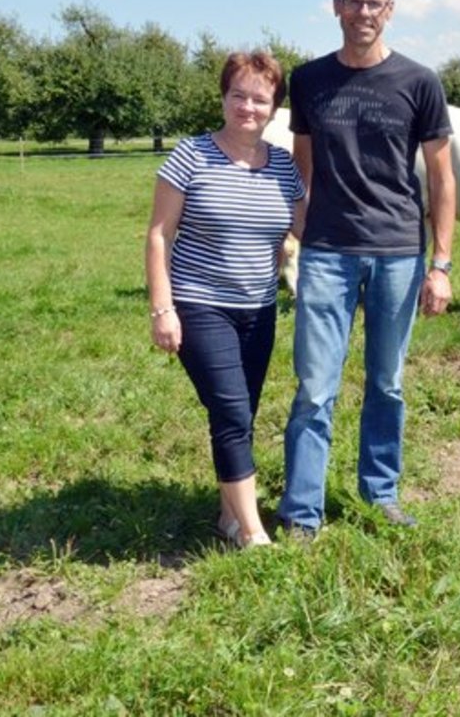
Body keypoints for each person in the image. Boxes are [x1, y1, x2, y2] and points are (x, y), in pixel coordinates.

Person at [277, 0, 456, 538]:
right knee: (316, 385)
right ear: (335, 6)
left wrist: (441, 264)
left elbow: (442, 178)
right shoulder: (308, 81)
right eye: (353, 2)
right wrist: (303, 231)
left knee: (387, 382)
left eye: (375, 4)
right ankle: (303, 511)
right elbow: (303, 165)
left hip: (399, 252)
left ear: (391, 10)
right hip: (328, 251)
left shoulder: (419, 83)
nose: (363, 13)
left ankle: (380, 493)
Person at [146, 51, 305, 549]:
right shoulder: (190, 155)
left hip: (258, 310)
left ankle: (226, 514)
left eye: (260, 99)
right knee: (233, 412)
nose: (248, 107)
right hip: (198, 304)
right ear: (223, 97)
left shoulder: (282, 165)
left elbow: (309, 228)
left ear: (275, 109)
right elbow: (158, 236)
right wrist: (162, 308)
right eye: (238, 95)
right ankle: (252, 532)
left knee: (240, 412)